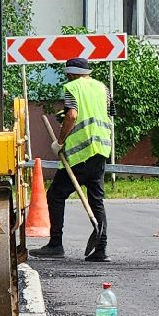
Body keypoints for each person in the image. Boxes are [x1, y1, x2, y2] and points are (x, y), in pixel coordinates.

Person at [33, 58, 111, 263]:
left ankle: (55, 244)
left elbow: (73, 115)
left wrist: (59, 142)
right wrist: (65, 114)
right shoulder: (103, 88)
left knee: (56, 194)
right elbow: (108, 114)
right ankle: (101, 248)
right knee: (96, 199)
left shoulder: (72, 88)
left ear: (71, 74)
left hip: (80, 153)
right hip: (101, 149)